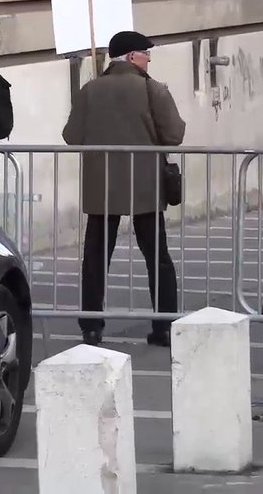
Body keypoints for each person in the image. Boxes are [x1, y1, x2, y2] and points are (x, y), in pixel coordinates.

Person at [62, 30, 185, 348]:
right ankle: (164, 327)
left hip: (101, 186)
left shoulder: (90, 90)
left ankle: (91, 327)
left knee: (95, 259)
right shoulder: (152, 89)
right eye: (146, 55)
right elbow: (174, 135)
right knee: (157, 258)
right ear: (132, 56)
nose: (148, 61)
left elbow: (71, 136)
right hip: (145, 186)